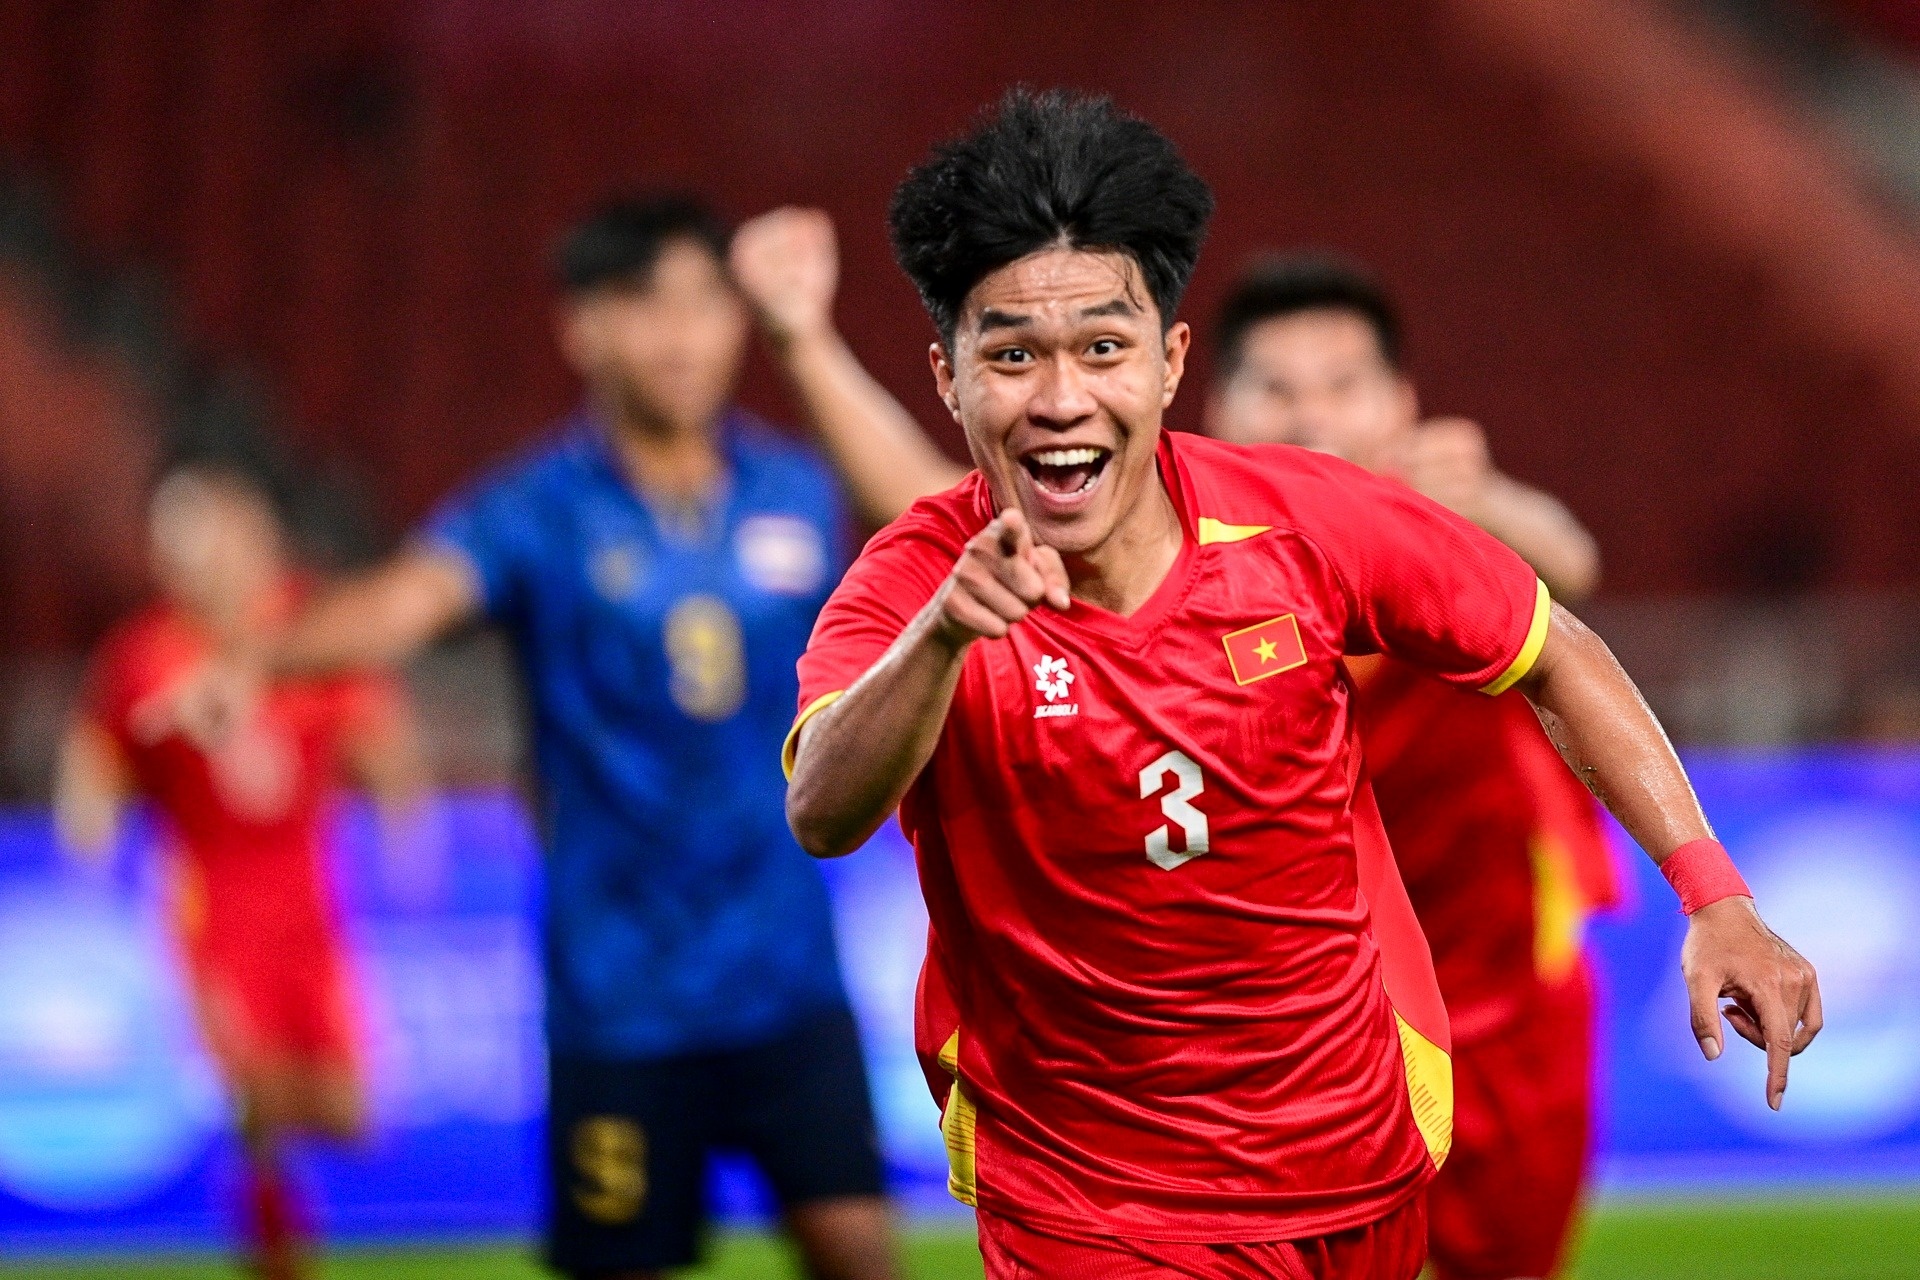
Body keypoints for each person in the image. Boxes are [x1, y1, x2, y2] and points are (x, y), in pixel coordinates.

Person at [784, 88, 1821, 1279]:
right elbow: (823, 808)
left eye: (1102, 348)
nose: (1062, 397)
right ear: (948, 375)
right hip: (1095, 1198)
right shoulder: (916, 582)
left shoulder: (1305, 520)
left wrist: (1714, 894)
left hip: (1355, 1160)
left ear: (1169, 363)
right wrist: (940, 640)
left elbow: (1554, 643)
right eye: (1012, 355)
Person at [170, 196, 954, 1280]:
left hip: (787, 982)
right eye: (647, 305)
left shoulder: (795, 485)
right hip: (617, 1004)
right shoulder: (536, 510)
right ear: (583, 327)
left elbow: (939, 516)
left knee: (864, 1258)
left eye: (706, 303)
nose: (682, 336)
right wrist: (263, 658)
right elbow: (404, 601)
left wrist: (807, 337)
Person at [1205, 255, 1617, 1280]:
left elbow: (1571, 566)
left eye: (1343, 385)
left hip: (1501, 1014)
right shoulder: (1179, 566)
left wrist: (1486, 502)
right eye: (1276, 388)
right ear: (1214, 412)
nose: (1312, 415)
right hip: (1292, 1028)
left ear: (1402, 406)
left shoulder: (1455, 535)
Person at [55, 463, 432, 1280]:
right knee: (251, 1085)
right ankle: (274, 1237)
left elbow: (376, 730)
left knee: (352, 1117)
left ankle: (266, 1162)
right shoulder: (146, 655)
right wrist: (88, 829)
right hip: (211, 904)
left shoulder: (306, 633)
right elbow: (97, 752)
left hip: (308, 903)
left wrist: (406, 818)